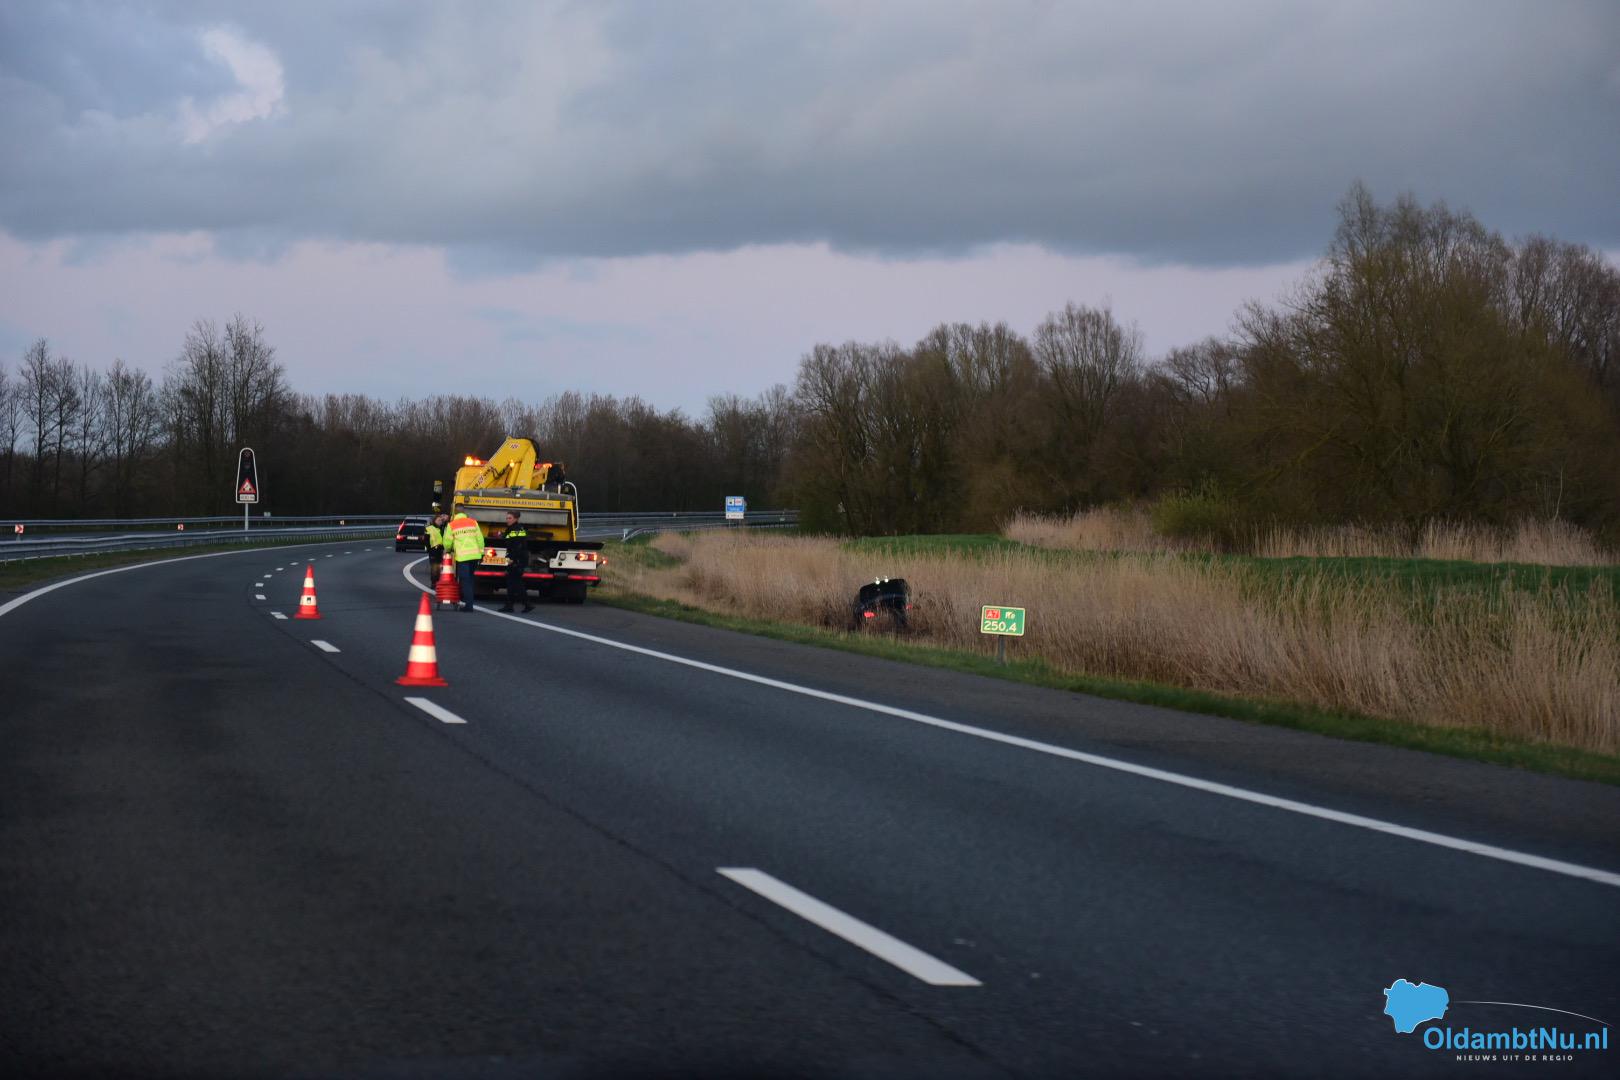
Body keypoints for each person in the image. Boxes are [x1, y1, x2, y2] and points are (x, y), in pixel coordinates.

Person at [445, 510, 485, 611]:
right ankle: (469, 603)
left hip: (463, 557)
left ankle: (469, 606)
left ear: (455, 515)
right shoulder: (473, 522)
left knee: (465, 581)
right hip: (475, 556)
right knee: (470, 579)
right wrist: (481, 553)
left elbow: (447, 541)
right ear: (465, 515)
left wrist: (448, 550)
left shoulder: (452, 525)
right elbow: (480, 539)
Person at [498, 509, 533, 612]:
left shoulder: (516, 529)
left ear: (516, 519)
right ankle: (511, 605)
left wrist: (513, 559)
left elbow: (518, 546)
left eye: (510, 518)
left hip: (517, 559)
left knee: (516, 583)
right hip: (516, 558)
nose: (507, 520)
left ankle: (526, 604)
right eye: (507, 518)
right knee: (512, 583)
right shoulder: (513, 528)